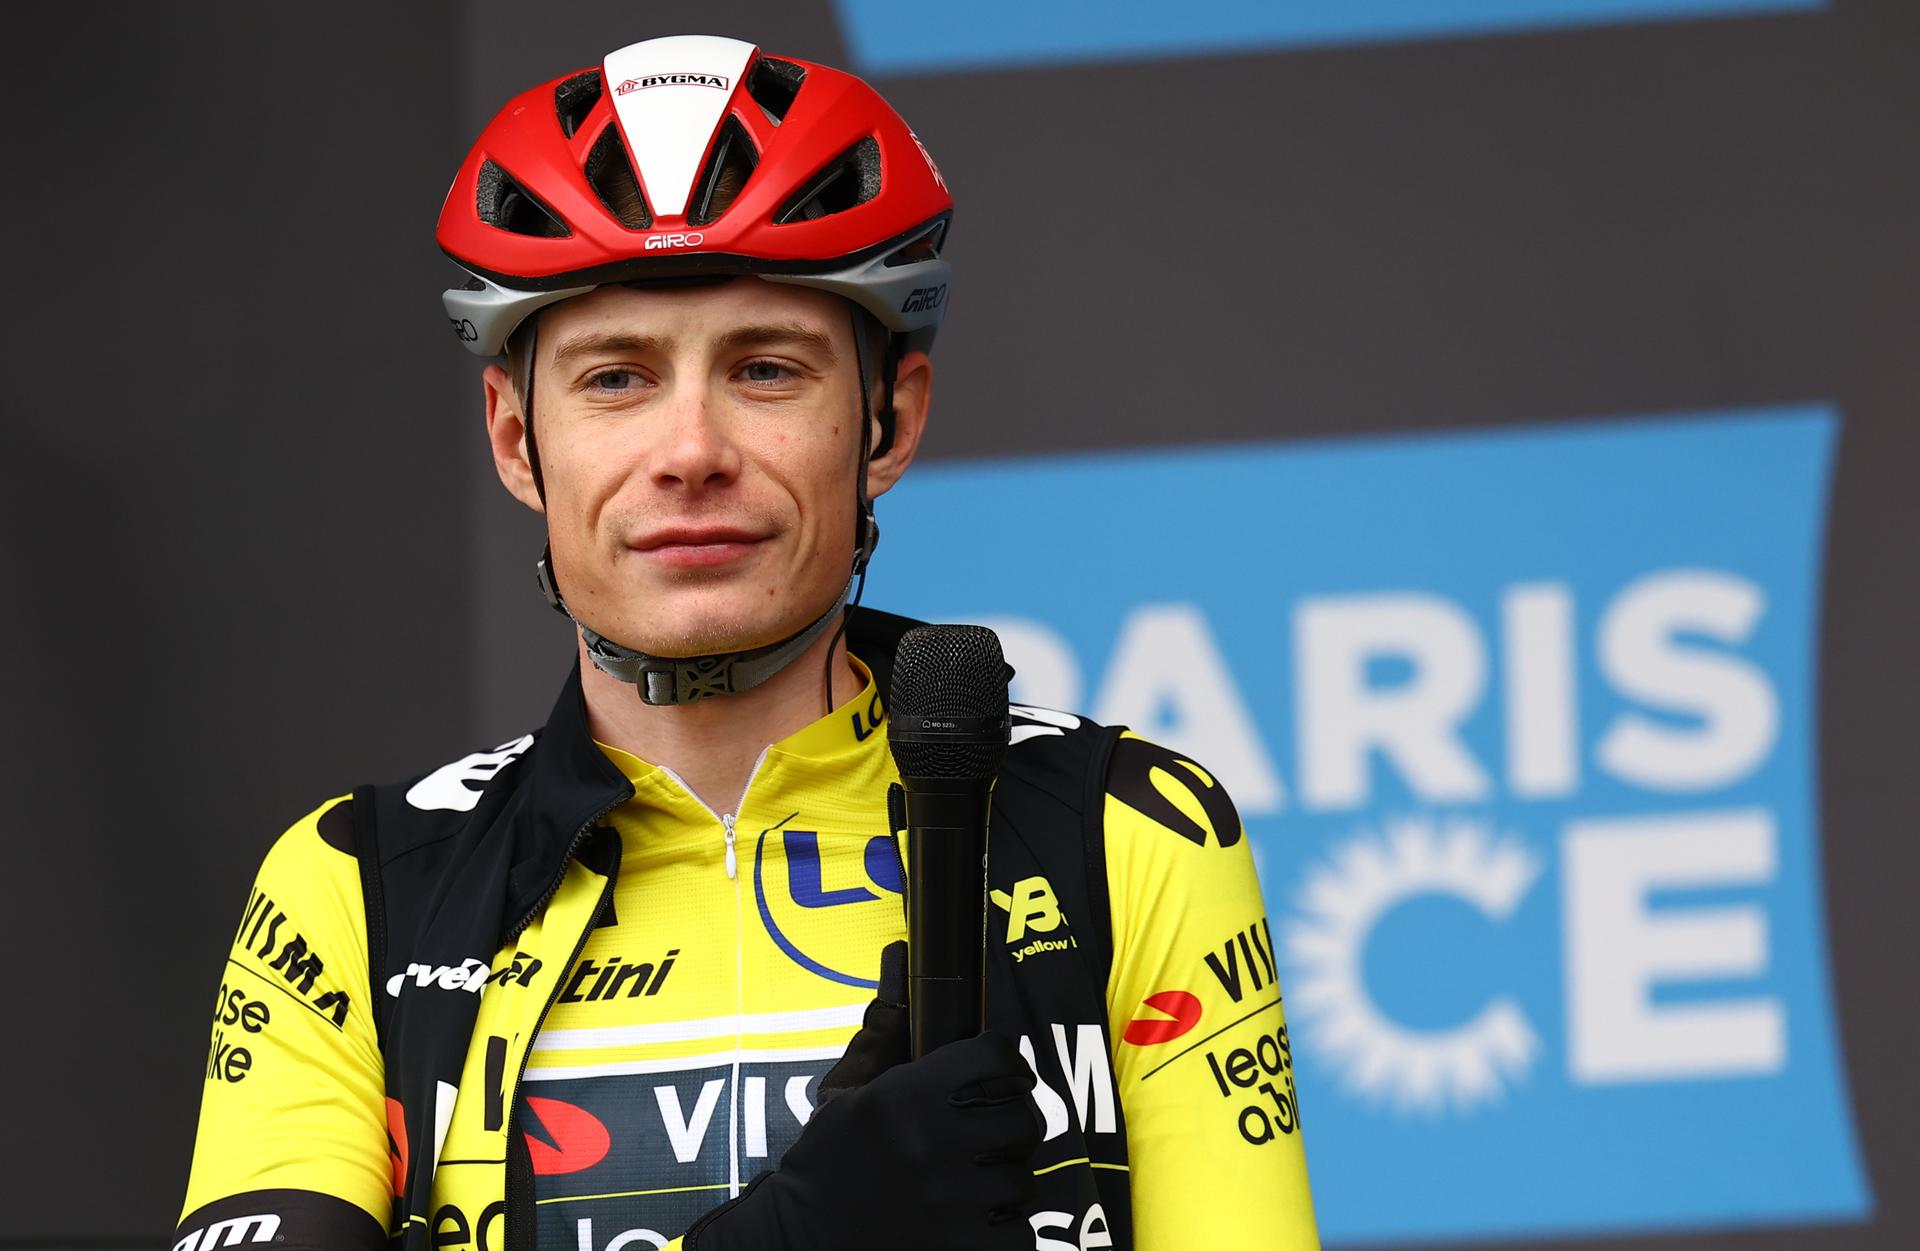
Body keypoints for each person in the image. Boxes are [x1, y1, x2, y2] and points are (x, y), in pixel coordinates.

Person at [175, 34, 1319, 1251]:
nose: (691, 450)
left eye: (766, 370)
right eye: (615, 379)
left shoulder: (1125, 829)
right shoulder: (357, 888)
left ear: (888, 421)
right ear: (518, 443)